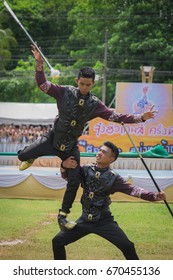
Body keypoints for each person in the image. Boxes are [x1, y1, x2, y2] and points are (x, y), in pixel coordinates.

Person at [18, 45, 157, 230]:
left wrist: (141, 118)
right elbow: (43, 84)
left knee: (74, 180)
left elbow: (116, 117)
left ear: (93, 84)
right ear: (77, 81)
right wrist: (39, 64)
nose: (84, 87)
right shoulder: (64, 91)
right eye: (82, 83)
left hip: (70, 147)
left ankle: (63, 216)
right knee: (21, 156)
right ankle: (32, 155)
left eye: (88, 84)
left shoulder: (95, 104)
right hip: (51, 139)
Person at [52, 141, 166, 260]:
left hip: (104, 221)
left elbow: (133, 190)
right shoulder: (85, 170)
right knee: (57, 241)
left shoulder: (114, 178)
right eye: (99, 150)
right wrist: (63, 166)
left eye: (104, 152)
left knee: (127, 246)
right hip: (84, 220)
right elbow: (68, 177)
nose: (99, 153)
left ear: (111, 159)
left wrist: (154, 196)